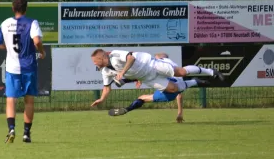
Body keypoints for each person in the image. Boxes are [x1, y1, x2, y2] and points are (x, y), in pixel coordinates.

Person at [93, 52, 209, 122]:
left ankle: (194, 82)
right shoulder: (164, 64)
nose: (155, 56)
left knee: (147, 96)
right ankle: (195, 81)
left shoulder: (164, 63)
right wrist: (135, 78)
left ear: (162, 57)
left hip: (170, 92)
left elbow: (179, 94)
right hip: (168, 84)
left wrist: (180, 112)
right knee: (174, 86)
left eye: (157, 56)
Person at [0, 0, 45, 143]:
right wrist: (41, 52)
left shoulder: (5, 24)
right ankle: (26, 134)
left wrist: (9, 48)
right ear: (26, 8)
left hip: (12, 67)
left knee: (11, 99)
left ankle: (11, 129)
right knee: (29, 100)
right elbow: (37, 41)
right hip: (29, 67)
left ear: (13, 8)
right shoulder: (32, 23)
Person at [91, 49, 224, 86]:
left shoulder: (114, 54)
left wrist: (124, 75)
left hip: (150, 64)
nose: (94, 64)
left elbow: (131, 58)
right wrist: (101, 99)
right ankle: (195, 82)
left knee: (181, 72)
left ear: (102, 58)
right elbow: (107, 87)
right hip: (147, 77)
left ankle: (211, 71)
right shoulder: (106, 70)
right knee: (172, 89)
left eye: (95, 61)